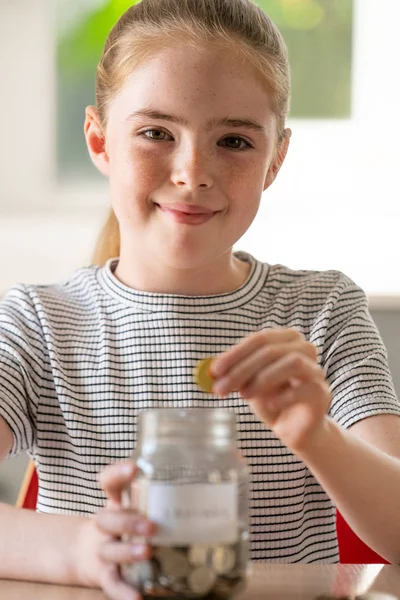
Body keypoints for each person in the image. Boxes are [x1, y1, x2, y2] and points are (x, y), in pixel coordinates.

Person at [1, 0, 400, 598]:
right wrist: (82, 551)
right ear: (100, 140)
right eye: (157, 133)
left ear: (276, 160)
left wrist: (317, 435)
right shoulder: (38, 323)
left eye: (234, 140)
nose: (192, 172)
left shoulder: (322, 311)